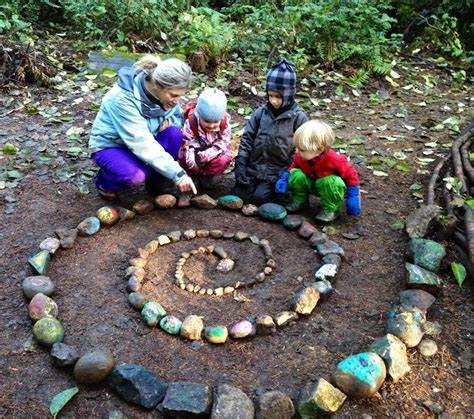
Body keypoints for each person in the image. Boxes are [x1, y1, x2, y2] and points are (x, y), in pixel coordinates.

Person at [88, 55, 197, 200]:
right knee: (134, 176)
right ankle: (105, 181)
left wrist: (171, 122)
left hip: (145, 143)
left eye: (180, 95)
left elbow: (177, 119)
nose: (177, 101)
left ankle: (156, 182)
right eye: (174, 95)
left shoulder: (166, 95)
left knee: (174, 134)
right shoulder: (122, 99)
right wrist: (178, 174)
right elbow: (142, 143)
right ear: (157, 84)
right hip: (112, 146)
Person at [231, 59, 308, 205]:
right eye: (270, 95)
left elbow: (299, 151)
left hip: (277, 171)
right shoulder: (261, 113)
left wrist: (285, 172)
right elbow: (248, 138)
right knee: (241, 194)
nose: (273, 101)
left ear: (289, 94)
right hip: (254, 167)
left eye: (278, 96)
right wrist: (241, 163)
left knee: (261, 198)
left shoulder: (298, 117)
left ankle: (284, 194)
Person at [275, 119, 361, 224]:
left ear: (319, 149)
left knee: (330, 181)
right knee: (296, 174)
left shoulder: (335, 159)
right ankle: (300, 200)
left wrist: (353, 195)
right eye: (296, 147)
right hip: (311, 183)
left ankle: (331, 209)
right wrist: (284, 178)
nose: (296, 151)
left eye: (301, 149)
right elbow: (294, 165)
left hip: (327, 188)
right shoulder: (302, 156)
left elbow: (351, 175)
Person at [179, 87, 232, 193]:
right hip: (195, 149)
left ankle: (207, 176)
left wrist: (205, 155)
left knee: (226, 157)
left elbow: (224, 142)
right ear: (199, 115)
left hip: (214, 150)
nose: (211, 125)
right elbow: (186, 144)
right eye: (207, 121)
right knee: (183, 156)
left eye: (215, 121)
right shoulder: (191, 122)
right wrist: (194, 164)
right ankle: (192, 175)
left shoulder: (224, 124)